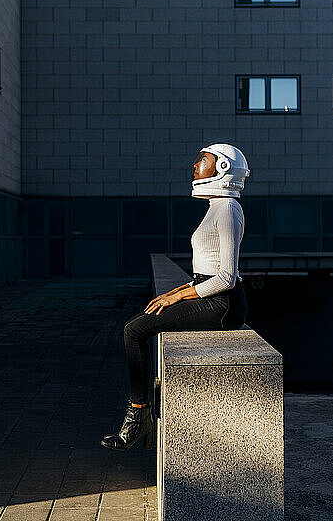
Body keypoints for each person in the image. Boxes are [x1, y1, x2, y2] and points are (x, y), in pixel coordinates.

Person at [100, 143, 251, 452]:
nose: (195, 167)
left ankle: (137, 417)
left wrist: (178, 296)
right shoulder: (217, 206)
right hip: (211, 293)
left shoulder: (228, 209)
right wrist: (178, 291)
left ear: (223, 169)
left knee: (134, 330)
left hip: (224, 304)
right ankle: (140, 415)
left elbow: (226, 277)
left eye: (203, 162)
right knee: (137, 326)